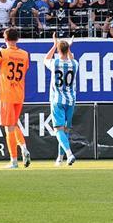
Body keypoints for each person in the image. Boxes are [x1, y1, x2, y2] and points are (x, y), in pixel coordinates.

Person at [0, 27, 31, 169]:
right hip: (19, 93)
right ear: (17, 39)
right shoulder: (24, 54)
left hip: (6, 93)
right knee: (14, 123)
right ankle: (23, 147)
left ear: (5, 39)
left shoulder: (2, 52)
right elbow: (25, 69)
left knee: (9, 127)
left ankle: (14, 161)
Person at [43, 37, 79, 166]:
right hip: (70, 100)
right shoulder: (75, 64)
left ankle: (69, 154)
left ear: (58, 51)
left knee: (58, 129)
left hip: (57, 99)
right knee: (65, 130)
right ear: (68, 50)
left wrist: (54, 45)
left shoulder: (55, 63)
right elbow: (71, 57)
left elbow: (46, 59)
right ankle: (60, 158)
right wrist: (68, 46)